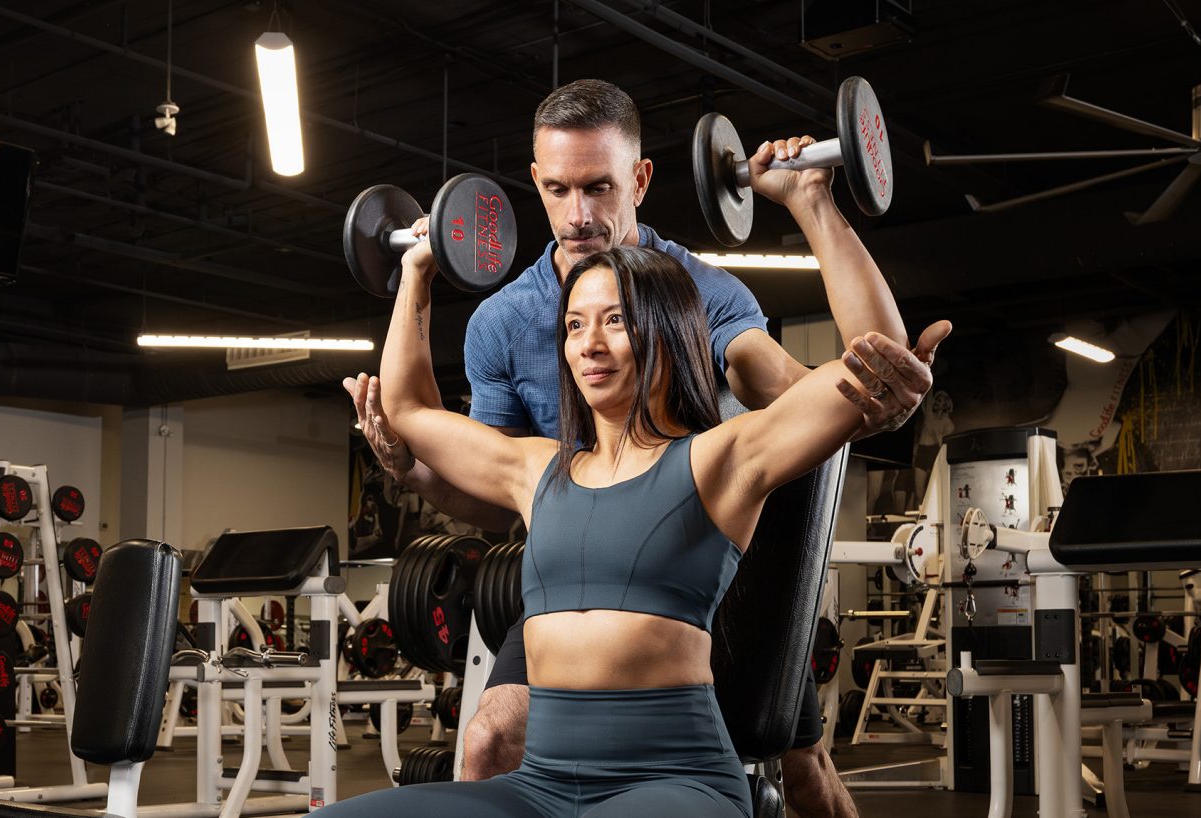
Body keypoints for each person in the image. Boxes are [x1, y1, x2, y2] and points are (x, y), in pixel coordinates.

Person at [345, 79, 950, 817]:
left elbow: (830, 388)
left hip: (706, 550)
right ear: (535, 183)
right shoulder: (509, 350)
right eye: (560, 190)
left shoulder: (694, 293)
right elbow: (468, 473)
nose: (579, 214)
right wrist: (416, 290)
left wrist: (811, 205)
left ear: (638, 179)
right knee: (489, 739)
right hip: (571, 561)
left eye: (598, 187)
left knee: (801, 763)